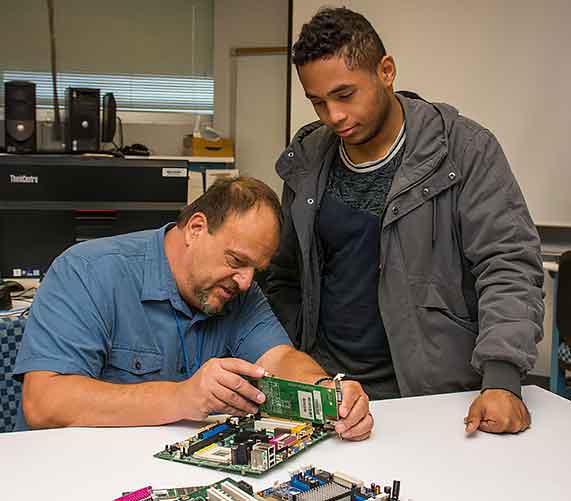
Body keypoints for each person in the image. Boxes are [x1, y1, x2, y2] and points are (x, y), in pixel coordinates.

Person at [266, 7, 544, 434]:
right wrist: (292, 366)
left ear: (387, 71)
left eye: (345, 95)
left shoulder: (465, 150)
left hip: (431, 399)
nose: (333, 116)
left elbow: (507, 265)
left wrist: (503, 379)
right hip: (331, 397)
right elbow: (284, 276)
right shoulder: (307, 160)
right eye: (318, 102)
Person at [13, 176, 372, 440]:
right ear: (196, 228)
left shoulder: (239, 290)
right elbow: (45, 401)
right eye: (236, 260)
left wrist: (326, 390)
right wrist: (181, 397)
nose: (246, 282)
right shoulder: (88, 271)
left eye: (255, 270)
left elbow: (278, 359)